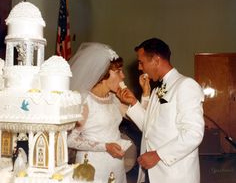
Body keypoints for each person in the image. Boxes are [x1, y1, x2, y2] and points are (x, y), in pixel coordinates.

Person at [117, 38, 205, 183]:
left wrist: (158, 155)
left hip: (175, 175)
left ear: (156, 60)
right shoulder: (157, 89)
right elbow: (149, 126)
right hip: (153, 174)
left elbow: (193, 134)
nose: (140, 67)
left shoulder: (186, 85)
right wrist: (133, 102)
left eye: (141, 62)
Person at [67, 42, 130, 183]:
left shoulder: (113, 98)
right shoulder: (86, 101)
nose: (123, 76)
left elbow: (139, 117)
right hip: (92, 167)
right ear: (104, 74)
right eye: (118, 71)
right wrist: (105, 147)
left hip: (116, 164)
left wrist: (144, 95)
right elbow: (70, 140)